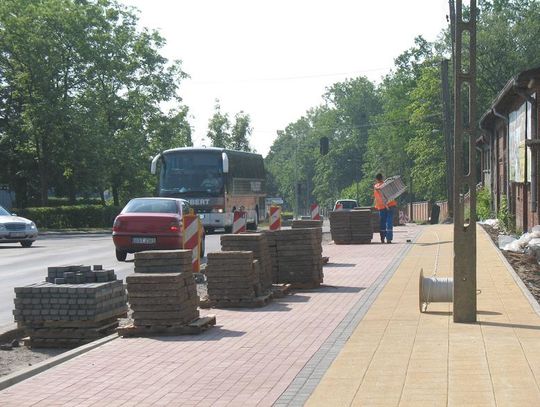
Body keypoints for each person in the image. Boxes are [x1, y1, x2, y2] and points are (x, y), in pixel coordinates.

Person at [374, 173, 397, 243]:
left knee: (382, 222)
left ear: (376, 179)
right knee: (389, 222)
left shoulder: (376, 186)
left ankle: (382, 238)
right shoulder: (387, 184)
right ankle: (389, 239)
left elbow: (377, 196)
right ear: (382, 178)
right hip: (390, 205)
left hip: (381, 207)